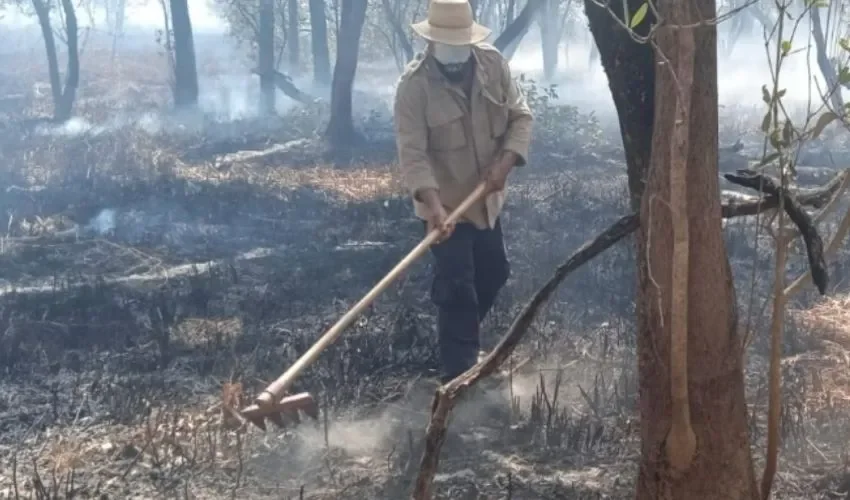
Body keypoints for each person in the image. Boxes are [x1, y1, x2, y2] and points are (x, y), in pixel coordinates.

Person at [393, 0, 533, 384]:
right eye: (447, 46)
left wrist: (505, 164)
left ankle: (462, 340)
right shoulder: (414, 87)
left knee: (494, 272)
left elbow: (521, 117)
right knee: (457, 287)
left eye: (460, 45)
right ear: (431, 43)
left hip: (486, 199)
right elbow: (413, 154)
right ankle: (458, 376)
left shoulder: (492, 66)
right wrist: (435, 206)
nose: (455, 55)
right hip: (446, 204)